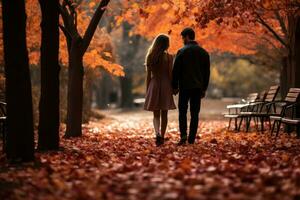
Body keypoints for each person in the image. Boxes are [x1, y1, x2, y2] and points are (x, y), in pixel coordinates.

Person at [172, 28, 210, 145]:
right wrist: (204, 88)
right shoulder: (204, 53)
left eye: (183, 37)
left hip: (184, 87)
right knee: (195, 113)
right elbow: (206, 73)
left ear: (187, 36)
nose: (182, 40)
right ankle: (191, 138)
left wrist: (174, 86)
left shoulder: (182, 51)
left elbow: (175, 71)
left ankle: (183, 136)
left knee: (182, 112)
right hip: (197, 87)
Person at [144, 34, 176, 146]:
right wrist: (173, 88)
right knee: (164, 114)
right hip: (166, 85)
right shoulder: (169, 57)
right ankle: (162, 136)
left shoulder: (150, 56)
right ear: (166, 44)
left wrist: (148, 90)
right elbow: (170, 74)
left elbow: (148, 76)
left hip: (154, 85)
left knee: (156, 114)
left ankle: (157, 133)